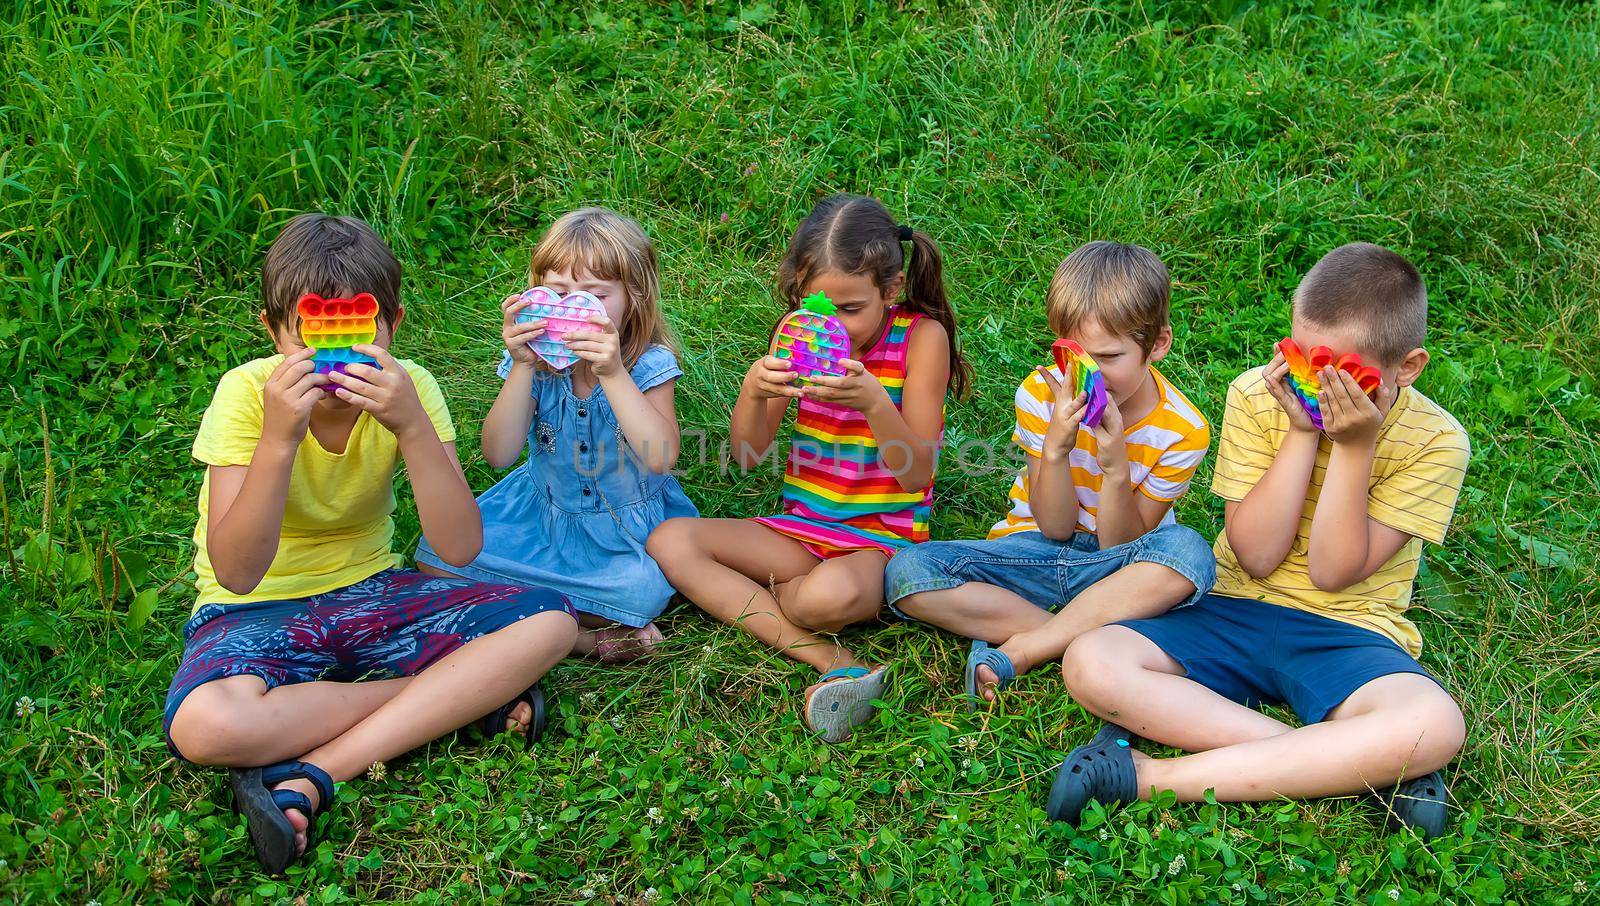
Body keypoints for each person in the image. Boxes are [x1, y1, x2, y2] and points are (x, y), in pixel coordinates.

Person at [163, 214, 578, 874]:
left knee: (552, 624)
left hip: (376, 593)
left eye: (358, 333)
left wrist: (412, 427)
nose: (336, 358)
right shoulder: (245, 395)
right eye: (312, 337)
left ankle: (315, 772)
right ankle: (459, 702)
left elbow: (459, 545)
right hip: (254, 612)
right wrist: (277, 440)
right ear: (273, 332)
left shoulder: (411, 389)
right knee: (205, 725)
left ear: (394, 324)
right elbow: (238, 572)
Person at [1054, 243, 1470, 838]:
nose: (1315, 385)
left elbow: (1332, 571)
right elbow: (1256, 554)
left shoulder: (1437, 441)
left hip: (1349, 629)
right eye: (1301, 360)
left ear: (1407, 368)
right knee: (1093, 660)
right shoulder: (1257, 395)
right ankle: (1359, 767)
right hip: (1231, 604)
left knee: (1433, 724)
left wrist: (1354, 447)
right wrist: (1302, 432)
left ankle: (1147, 778)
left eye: (1343, 374)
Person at [649, 194, 969, 743]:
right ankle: (828, 656)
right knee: (670, 541)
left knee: (823, 598)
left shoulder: (921, 339)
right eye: (815, 306)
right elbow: (748, 455)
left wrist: (873, 402)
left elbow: (917, 474)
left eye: (850, 309)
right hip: (801, 530)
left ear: (890, 292)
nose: (831, 324)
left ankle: (773, 605)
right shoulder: (796, 336)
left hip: (877, 541)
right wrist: (753, 391)